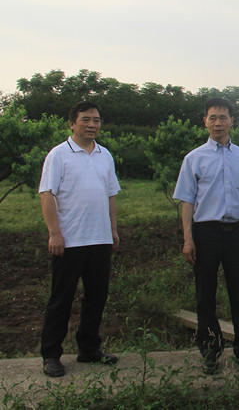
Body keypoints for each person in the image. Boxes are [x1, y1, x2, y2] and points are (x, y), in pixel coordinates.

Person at [173, 97, 239, 374]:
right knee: (205, 294)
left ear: (232, 121)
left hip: (236, 232)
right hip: (206, 233)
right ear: (205, 122)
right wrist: (188, 239)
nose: (218, 123)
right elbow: (187, 201)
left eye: (223, 118)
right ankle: (210, 351)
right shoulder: (194, 158)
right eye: (212, 118)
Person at [39, 101, 121, 378]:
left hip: (99, 239)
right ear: (72, 123)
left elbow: (111, 194)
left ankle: (89, 348)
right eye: (85, 119)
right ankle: (51, 354)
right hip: (70, 240)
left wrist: (113, 230)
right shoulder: (59, 155)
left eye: (96, 120)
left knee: (96, 297)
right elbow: (47, 194)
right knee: (61, 298)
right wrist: (54, 233)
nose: (92, 125)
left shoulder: (104, 155)